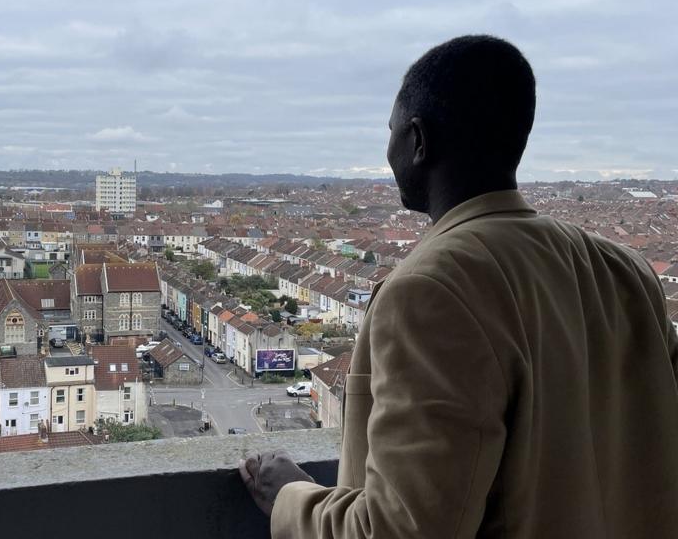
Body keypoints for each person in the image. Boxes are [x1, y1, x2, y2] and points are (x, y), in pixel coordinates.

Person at [240, 35, 678, 538]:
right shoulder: (623, 269)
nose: (387, 151)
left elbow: (402, 529)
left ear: (417, 140)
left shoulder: (432, 290)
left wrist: (291, 498)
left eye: (391, 132)